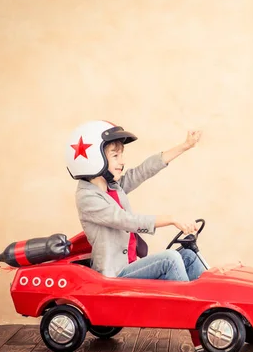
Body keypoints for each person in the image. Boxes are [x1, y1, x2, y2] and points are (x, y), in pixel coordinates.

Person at [65, 120, 206, 282]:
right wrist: (171, 219)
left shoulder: (113, 187)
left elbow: (143, 171)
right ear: (93, 159)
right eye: (115, 155)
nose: (122, 161)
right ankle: (187, 306)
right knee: (169, 259)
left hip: (131, 265)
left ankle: (214, 303)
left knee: (188, 255)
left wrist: (185, 146)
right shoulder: (87, 198)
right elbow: (126, 220)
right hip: (114, 275)